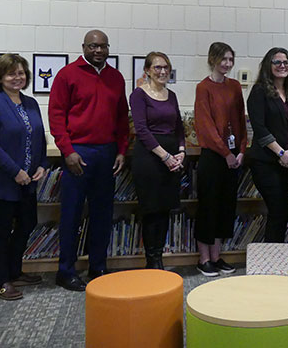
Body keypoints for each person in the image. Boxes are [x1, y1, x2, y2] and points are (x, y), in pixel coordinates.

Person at [49, 30, 129, 291]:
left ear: (108, 48)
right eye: (93, 46)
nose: (98, 50)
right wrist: (67, 151)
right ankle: (66, 271)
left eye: (103, 46)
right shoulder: (67, 75)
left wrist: (121, 150)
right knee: (71, 215)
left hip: (107, 152)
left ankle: (98, 267)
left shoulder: (116, 78)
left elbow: (121, 119)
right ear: (84, 47)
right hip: (77, 153)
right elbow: (57, 116)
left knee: (102, 215)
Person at [0, 54, 47, 300]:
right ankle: (1, 281)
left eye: (21, 73)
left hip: (28, 181)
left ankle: (15, 271)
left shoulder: (30, 103)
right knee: (1, 230)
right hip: (4, 181)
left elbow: (39, 137)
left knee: (27, 224)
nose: (17, 78)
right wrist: (16, 172)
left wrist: (41, 165)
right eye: (11, 73)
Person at [193, 42, 246, 276]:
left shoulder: (234, 87)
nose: (227, 64)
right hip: (213, 157)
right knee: (208, 207)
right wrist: (225, 153)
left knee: (226, 207)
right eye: (223, 59)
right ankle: (204, 258)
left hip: (233, 157)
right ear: (212, 59)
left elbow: (241, 121)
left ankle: (217, 256)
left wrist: (241, 149)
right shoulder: (203, 88)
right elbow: (205, 125)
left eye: (230, 60)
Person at [130, 51, 185, 270]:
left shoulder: (171, 95)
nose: (162, 71)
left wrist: (181, 151)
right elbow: (141, 130)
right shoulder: (138, 95)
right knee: (151, 209)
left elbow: (179, 127)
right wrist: (165, 157)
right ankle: (151, 260)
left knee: (165, 209)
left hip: (172, 157)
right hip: (149, 157)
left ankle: (159, 256)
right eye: (157, 67)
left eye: (166, 67)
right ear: (147, 71)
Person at [246, 47, 288, 242]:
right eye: (277, 62)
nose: (282, 65)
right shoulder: (259, 91)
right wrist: (282, 154)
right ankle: (272, 261)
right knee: (277, 209)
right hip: (266, 162)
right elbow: (260, 129)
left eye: (286, 62)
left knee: (283, 210)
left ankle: (277, 257)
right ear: (267, 65)